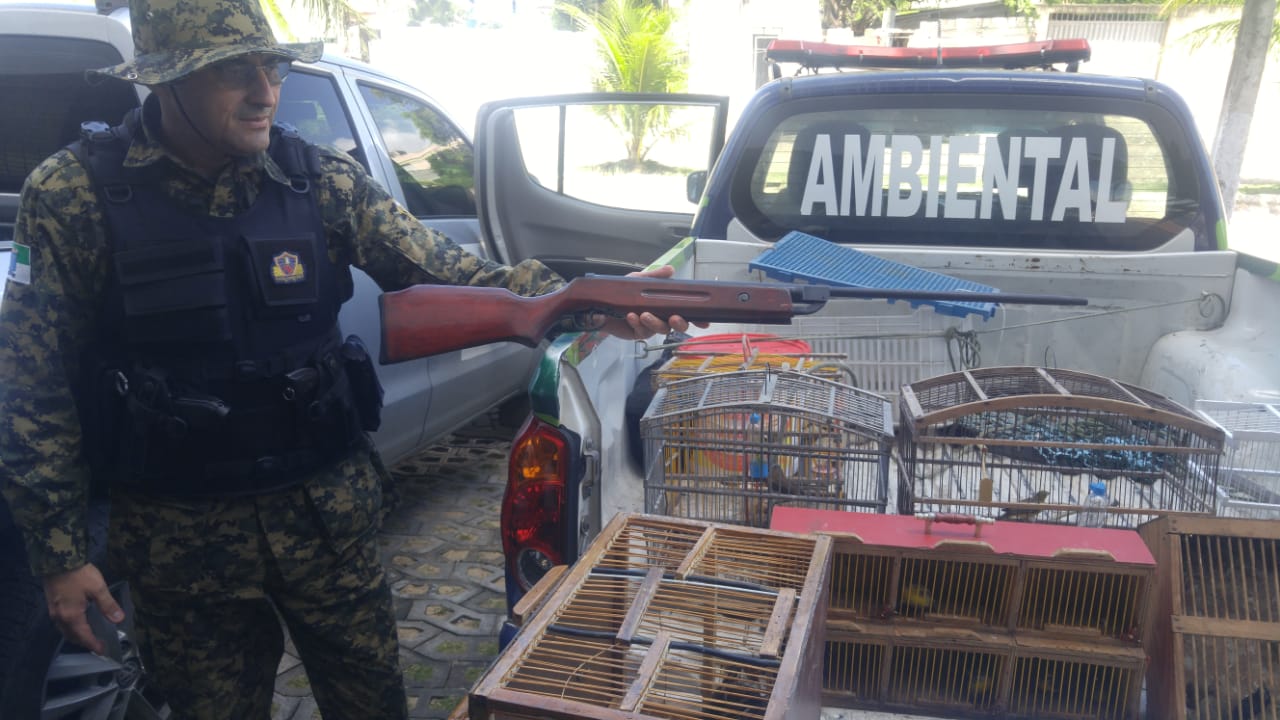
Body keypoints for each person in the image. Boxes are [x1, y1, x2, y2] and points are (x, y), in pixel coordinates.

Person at [0, 0, 691, 717]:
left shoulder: (316, 178)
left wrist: (582, 302)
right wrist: (60, 553)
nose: (266, 92)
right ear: (166, 82)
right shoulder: (72, 195)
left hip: (326, 521)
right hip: (183, 547)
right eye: (233, 73)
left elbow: (448, 270)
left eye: (271, 67)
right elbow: (31, 387)